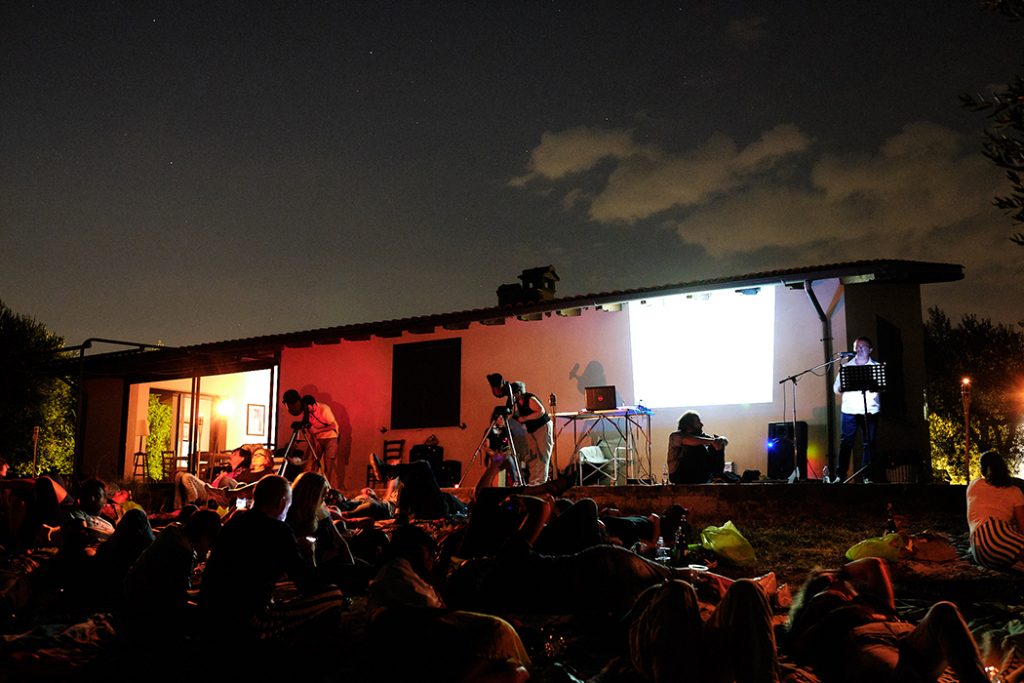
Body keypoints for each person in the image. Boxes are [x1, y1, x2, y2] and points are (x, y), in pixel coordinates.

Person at [786, 557, 987, 683]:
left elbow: (875, 564)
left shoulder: (873, 602)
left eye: (838, 579)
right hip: (870, 642)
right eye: (825, 581)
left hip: (911, 639)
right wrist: (838, 613)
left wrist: (841, 571)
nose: (835, 581)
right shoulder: (818, 611)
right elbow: (801, 646)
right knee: (901, 675)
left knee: (944, 609)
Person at [199, 474, 344, 643]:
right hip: (247, 620)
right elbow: (305, 583)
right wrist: (310, 554)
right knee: (333, 595)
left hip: (212, 610)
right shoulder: (279, 530)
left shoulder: (235, 521)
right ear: (282, 503)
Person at [120, 509, 222, 645]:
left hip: (130, 595)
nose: (208, 549)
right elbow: (179, 596)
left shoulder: (173, 529)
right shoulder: (184, 551)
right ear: (204, 536)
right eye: (210, 543)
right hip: (145, 609)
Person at [832, 336, 882, 483]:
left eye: (863, 346)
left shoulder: (876, 367)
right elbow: (836, 388)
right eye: (857, 347)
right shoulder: (846, 368)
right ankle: (840, 475)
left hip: (870, 410)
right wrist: (840, 388)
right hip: (849, 410)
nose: (859, 349)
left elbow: (880, 387)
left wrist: (874, 388)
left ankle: (867, 476)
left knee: (869, 442)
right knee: (846, 442)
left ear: (870, 349)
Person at [966, 450, 1024, 572]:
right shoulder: (1014, 491)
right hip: (994, 534)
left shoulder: (974, 485)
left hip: (979, 550)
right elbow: (1022, 526)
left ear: (983, 470)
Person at [283, 389, 340, 485]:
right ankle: (311, 485)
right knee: (312, 462)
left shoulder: (324, 409)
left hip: (330, 438)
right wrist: (315, 439)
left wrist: (318, 431)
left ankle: (327, 487)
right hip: (317, 438)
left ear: (314, 405)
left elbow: (333, 425)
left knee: (328, 465)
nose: (308, 410)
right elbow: (308, 426)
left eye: (309, 408)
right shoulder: (307, 411)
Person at [666, 411, 728, 484]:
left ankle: (717, 477)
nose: (702, 425)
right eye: (698, 422)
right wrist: (713, 441)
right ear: (689, 425)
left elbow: (724, 441)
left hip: (700, 475)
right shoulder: (675, 436)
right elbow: (689, 440)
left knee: (717, 444)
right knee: (698, 446)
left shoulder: (701, 436)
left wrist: (720, 440)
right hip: (680, 476)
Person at [510, 381, 553, 485]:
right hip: (532, 429)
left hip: (542, 427)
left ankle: (541, 481)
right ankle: (533, 481)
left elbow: (540, 411)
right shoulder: (518, 403)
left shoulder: (530, 399)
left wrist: (524, 418)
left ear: (519, 392)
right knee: (533, 455)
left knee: (543, 454)